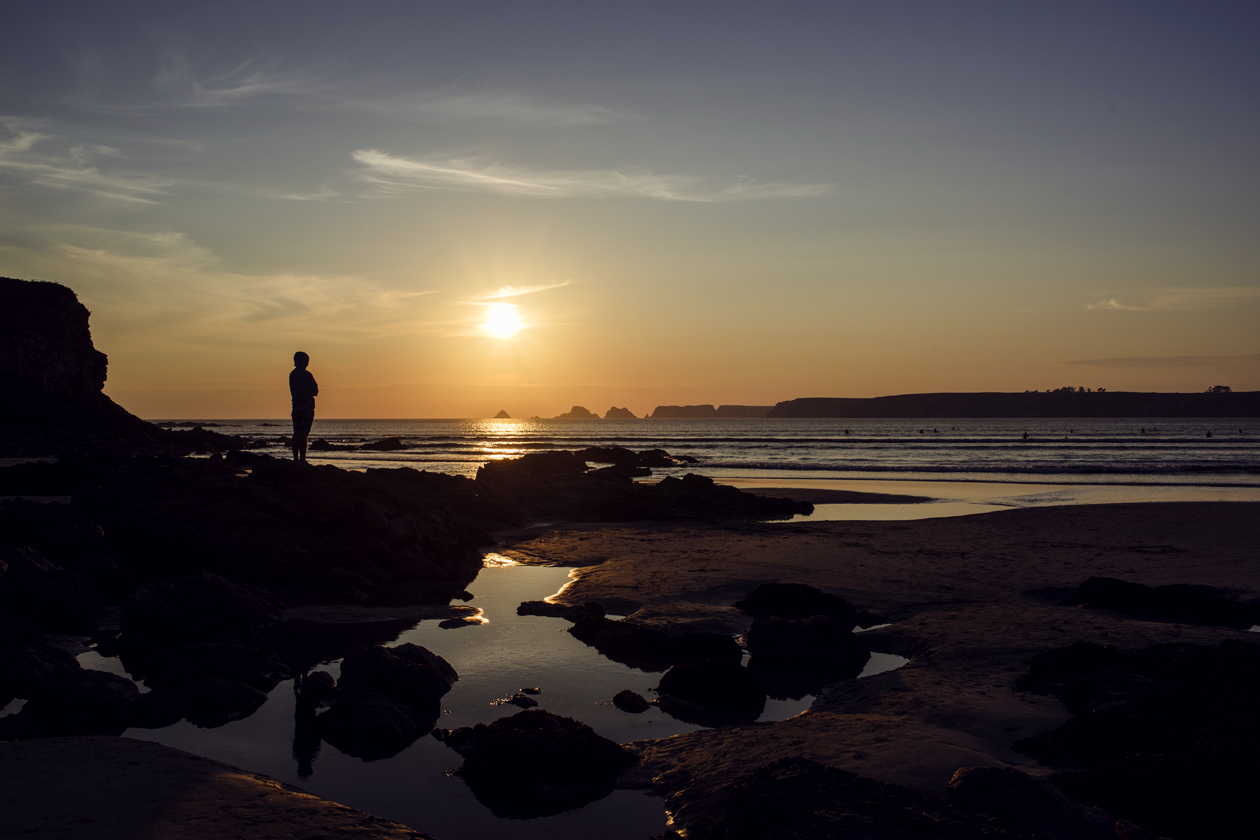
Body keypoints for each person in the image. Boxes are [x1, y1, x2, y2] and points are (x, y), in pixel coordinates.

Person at [289, 351, 318, 462]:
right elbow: (315, 391)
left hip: (296, 407)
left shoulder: (292, 374)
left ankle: (296, 459)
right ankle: (302, 459)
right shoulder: (306, 374)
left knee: (297, 433)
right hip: (306, 407)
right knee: (304, 434)